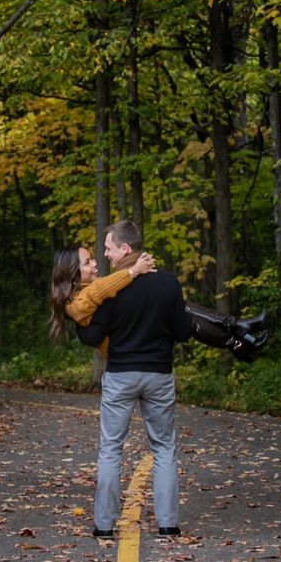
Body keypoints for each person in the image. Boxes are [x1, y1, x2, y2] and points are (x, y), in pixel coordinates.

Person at [69, 220, 198, 542]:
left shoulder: (113, 289)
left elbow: (93, 336)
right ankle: (168, 525)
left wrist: (80, 325)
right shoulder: (168, 283)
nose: (105, 255)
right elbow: (183, 332)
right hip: (159, 374)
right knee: (164, 447)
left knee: (111, 449)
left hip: (121, 375)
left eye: (109, 248)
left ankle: (104, 526)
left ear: (125, 248)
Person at [49, 247, 269, 360]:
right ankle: (236, 334)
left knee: (181, 309)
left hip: (133, 338)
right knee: (181, 313)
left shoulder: (87, 290)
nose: (96, 263)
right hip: (128, 349)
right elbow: (98, 291)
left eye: (93, 259)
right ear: (72, 272)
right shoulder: (73, 304)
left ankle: (236, 335)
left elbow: (103, 290)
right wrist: (133, 271)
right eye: (88, 262)